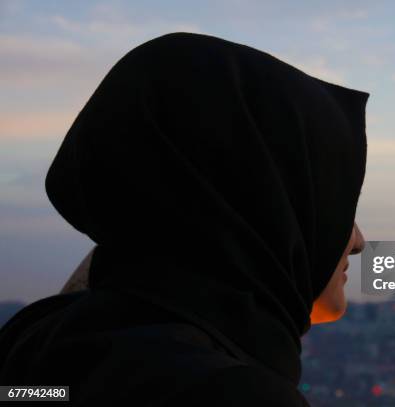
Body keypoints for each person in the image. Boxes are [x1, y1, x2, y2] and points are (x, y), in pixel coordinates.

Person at [0, 32, 368, 406]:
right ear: (262, 208)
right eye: (337, 207)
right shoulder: (228, 392)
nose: (357, 241)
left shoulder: (33, 346)